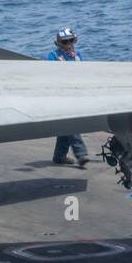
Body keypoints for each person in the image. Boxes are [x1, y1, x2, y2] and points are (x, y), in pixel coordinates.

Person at [47, 28, 88, 167]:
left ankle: (59, 157)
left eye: (71, 41)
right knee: (71, 124)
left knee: (65, 127)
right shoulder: (52, 57)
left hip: (75, 95)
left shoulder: (78, 56)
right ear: (59, 43)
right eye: (65, 42)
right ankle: (81, 154)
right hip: (59, 96)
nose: (68, 44)